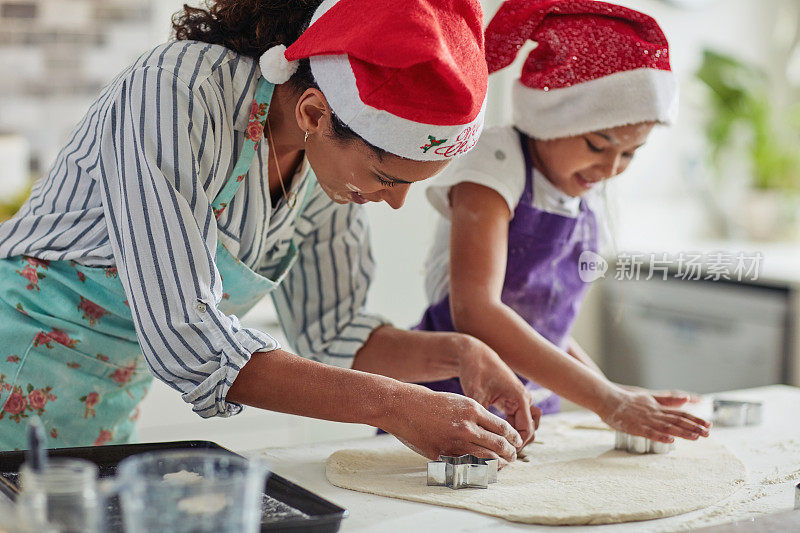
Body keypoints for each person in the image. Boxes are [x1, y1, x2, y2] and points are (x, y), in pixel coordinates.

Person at [0, 0, 538, 461]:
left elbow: (332, 333)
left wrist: (460, 354)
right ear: (314, 111)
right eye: (385, 178)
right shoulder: (176, 92)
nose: (394, 203)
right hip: (14, 361)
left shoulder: (325, 173)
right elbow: (185, 337)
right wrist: (394, 406)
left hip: (102, 407)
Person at [415, 0, 710, 444]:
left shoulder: (581, 199)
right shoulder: (497, 164)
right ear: (553, 118)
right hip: (451, 400)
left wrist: (616, 393)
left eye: (630, 153)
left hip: (533, 407)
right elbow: (475, 311)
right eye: (597, 144)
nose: (611, 168)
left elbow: (546, 329)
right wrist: (607, 400)